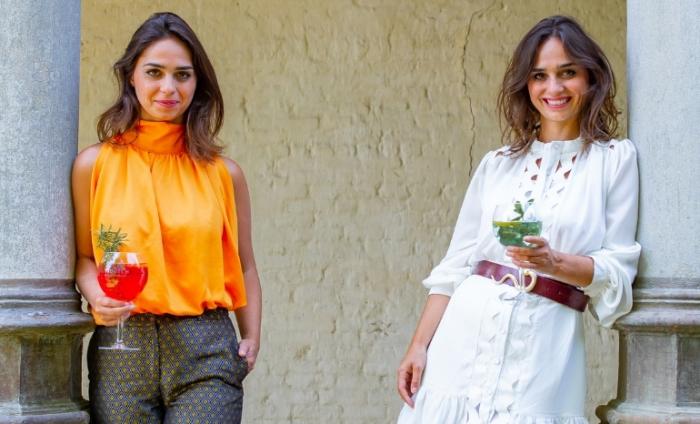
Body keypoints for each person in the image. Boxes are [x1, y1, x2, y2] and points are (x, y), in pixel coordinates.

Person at [397, 15, 640, 423]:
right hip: (463, 339)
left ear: (591, 79)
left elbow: (617, 270)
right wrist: (419, 345)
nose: (554, 88)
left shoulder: (614, 162)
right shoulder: (498, 165)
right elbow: (455, 266)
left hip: (547, 345)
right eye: (539, 76)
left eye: (568, 73)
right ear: (527, 87)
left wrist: (555, 263)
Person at [71, 12, 261, 423]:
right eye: (154, 72)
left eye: (183, 75)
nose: (169, 88)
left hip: (206, 346)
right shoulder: (93, 165)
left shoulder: (223, 174)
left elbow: (245, 263)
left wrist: (252, 336)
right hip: (122, 344)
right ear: (131, 77)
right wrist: (96, 298)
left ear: (198, 83)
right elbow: (86, 258)